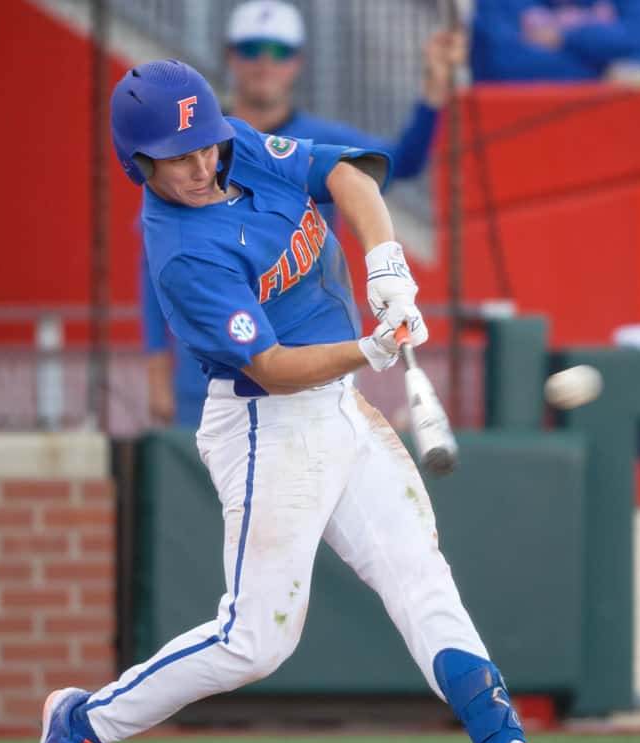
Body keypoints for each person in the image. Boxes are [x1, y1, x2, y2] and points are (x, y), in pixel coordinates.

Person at [25, 60, 552, 743]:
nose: (202, 164)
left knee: (422, 579)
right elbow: (270, 368)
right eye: (179, 157)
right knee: (255, 641)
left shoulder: (231, 145)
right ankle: (83, 722)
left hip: (340, 407)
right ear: (137, 164)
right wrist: (370, 350)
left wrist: (387, 267)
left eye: (205, 144)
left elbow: (344, 177)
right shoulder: (182, 251)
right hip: (265, 425)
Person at [143, 0, 466, 427]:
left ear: (297, 62)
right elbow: (156, 266)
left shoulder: (297, 138)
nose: (264, 63)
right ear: (230, 55)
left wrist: (434, 86)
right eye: (251, 48)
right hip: (222, 368)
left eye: (279, 51)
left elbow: (395, 163)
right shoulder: (187, 161)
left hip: (315, 354)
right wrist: (155, 365)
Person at [470, 0, 640, 82]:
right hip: (522, 124)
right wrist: (605, 71)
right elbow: (498, 64)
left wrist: (565, 38)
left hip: (614, 124)